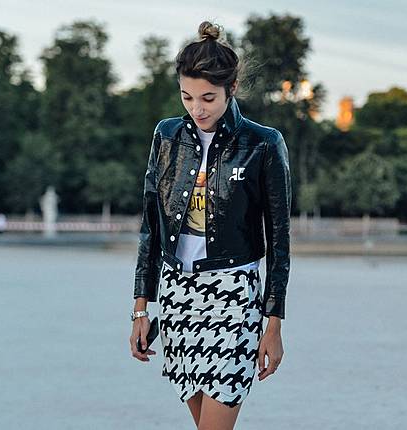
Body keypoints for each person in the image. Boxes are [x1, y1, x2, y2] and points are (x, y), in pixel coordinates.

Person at [129, 21, 291, 429]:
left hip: (234, 295)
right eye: (187, 97)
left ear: (231, 88)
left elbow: (279, 239)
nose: (197, 108)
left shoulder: (263, 143)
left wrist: (273, 323)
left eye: (208, 98)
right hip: (177, 294)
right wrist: (140, 309)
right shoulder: (167, 136)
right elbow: (151, 227)